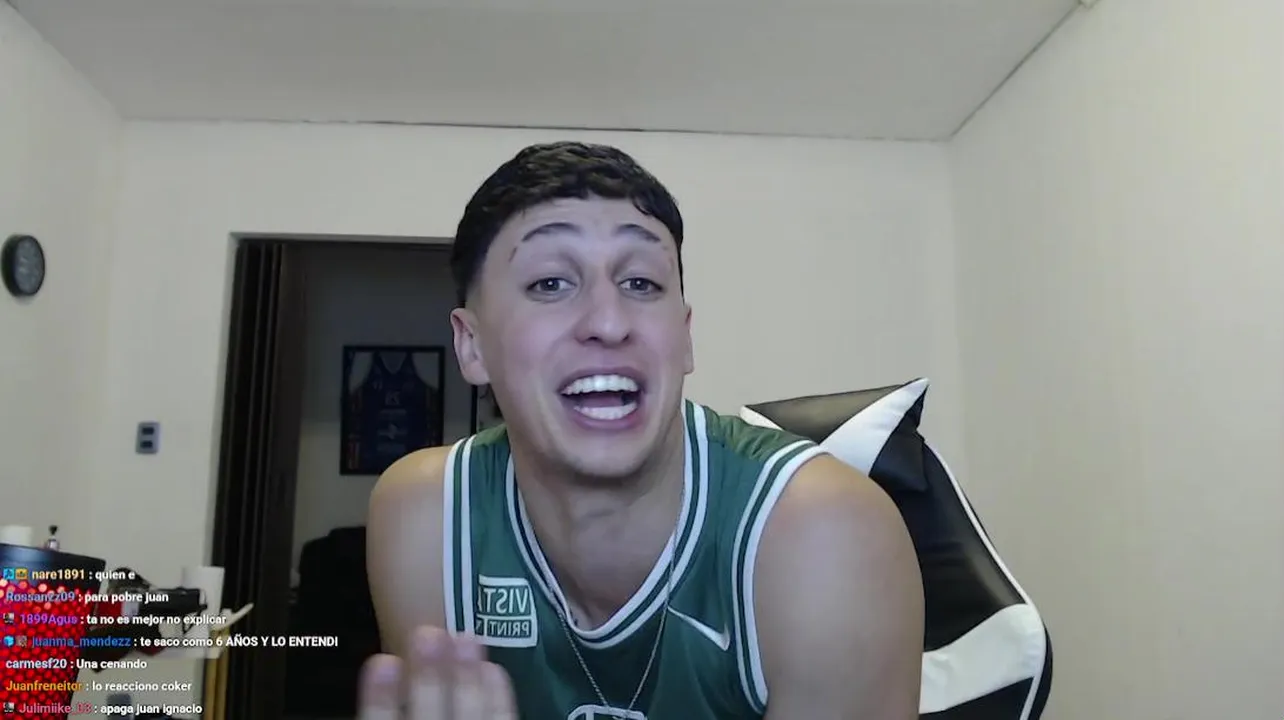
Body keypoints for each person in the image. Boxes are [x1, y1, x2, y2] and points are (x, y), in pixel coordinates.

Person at [359, 141, 924, 719]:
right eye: (550, 283)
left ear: (684, 337)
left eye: (641, 284)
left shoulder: (824, 535)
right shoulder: (430, 516)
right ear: (472, 345)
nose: (609, 323)